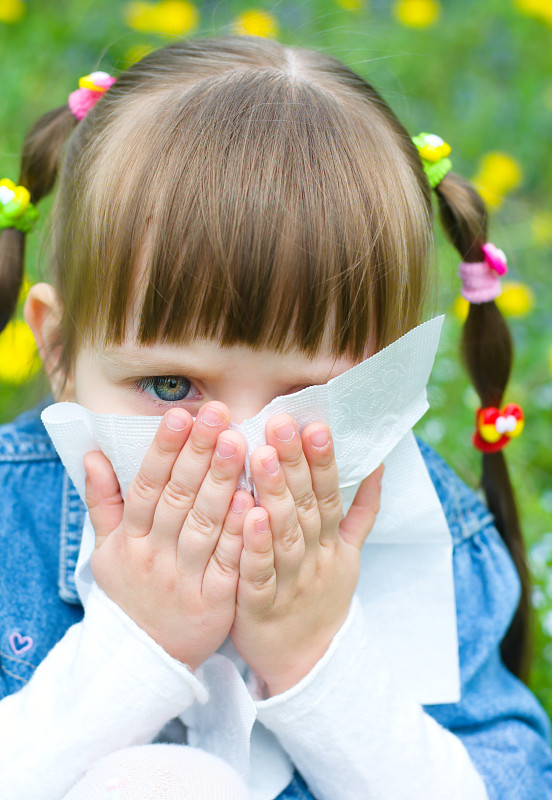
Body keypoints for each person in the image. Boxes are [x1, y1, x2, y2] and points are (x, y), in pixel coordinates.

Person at [0, 35, 550, 800]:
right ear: (58, 351)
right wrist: (133, 651)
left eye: (307, 400)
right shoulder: (9, 520)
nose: (239, 455)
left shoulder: (428, 549)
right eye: (169, 385)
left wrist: (318, 659)